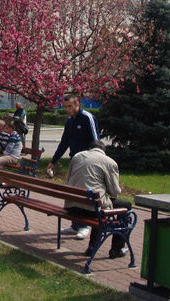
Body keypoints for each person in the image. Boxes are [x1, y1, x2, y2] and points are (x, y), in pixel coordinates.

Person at [64, 140, 131, 259]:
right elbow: (115, 192)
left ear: (90, 148)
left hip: (72, 206)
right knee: (125, 206)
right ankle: (117, 248)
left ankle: (92, 247)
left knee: (97, 206)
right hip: (91, 209)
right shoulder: (109, 162)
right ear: (103, 151)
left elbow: (68, 181)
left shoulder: (77, 156)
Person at [47, 94, 99, 239]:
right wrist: (54, 160)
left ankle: (85, 225)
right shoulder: (69, 121)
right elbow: (64, 142)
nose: (68, 110)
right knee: (72, 193)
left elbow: (96, 140)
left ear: (78, 104)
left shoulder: (87, 118)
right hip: (74, 161)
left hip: (87, 162)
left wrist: (95, 159)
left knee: (84, 194)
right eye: (66, 107)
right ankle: (75, 224)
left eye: (70, 106)